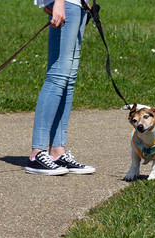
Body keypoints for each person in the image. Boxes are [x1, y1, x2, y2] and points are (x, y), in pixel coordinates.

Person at [26, 0, 95, 175]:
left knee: (68, 79)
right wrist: (59, 2)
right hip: (67, 2)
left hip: (79, 4)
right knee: (57, 76)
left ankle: (57, 152)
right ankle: (37, 154)